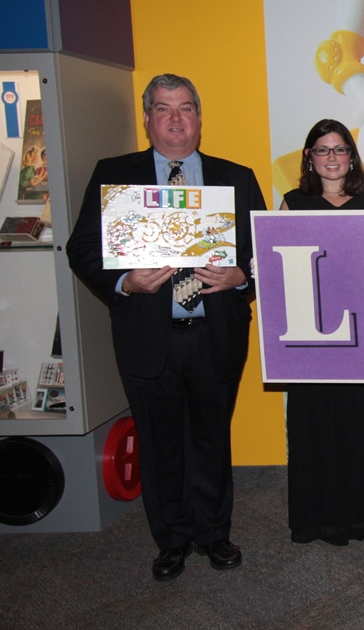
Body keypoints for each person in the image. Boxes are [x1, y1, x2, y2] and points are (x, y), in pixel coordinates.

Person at [67, 74, 266, 581]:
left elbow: (267, 250)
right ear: (148, 118)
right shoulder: (117, 176)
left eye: (185, 108)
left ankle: (214, 533)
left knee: (211, 439)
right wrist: (124, 282)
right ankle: (172, 540)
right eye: (163, 109)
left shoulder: (235, 178)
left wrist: (243, 275)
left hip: (214, 332)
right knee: (159, 444)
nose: (175, 119)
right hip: (146, 334)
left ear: (199, 117)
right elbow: (83, 248)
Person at [279, 118, 364, 545]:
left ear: (351, 156)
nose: (331, 158)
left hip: (358, 330)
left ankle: (360, 514)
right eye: (322, 150)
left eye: (339, 149)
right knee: (312, 421)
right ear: (309, 157)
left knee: (357, 421)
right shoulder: (292, 202)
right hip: (309, 333)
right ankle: (314, 517)